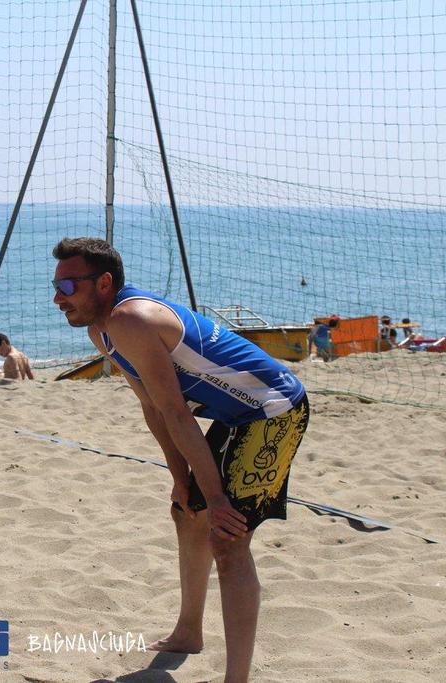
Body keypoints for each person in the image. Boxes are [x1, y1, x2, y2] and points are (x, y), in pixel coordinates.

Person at [52, 237, 308, 683]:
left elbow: (175, 411)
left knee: (228, 539)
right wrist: (182, 480)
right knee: (187, 513)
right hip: (235, 412)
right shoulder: (102, 330)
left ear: (105, 283)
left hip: (274, 411)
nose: (58, 297)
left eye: (68, 285)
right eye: (56, 285)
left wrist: (216, 497)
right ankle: (189, 633)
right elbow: (153, 407)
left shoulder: (131, 319)